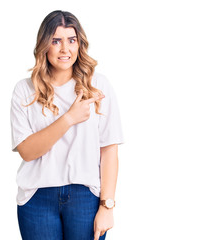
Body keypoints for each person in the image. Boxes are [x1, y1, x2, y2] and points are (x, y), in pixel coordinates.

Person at [9, 10, 124, 240]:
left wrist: (107, 206)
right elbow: (28, 151)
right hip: (37, 198)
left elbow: (109, 149)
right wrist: (69, 118)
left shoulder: (98, 86)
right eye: (56, 41)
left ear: (79, 44)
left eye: (71, 40)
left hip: (86, 197)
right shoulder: (25, 90)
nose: (65, 49)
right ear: (44, 46)